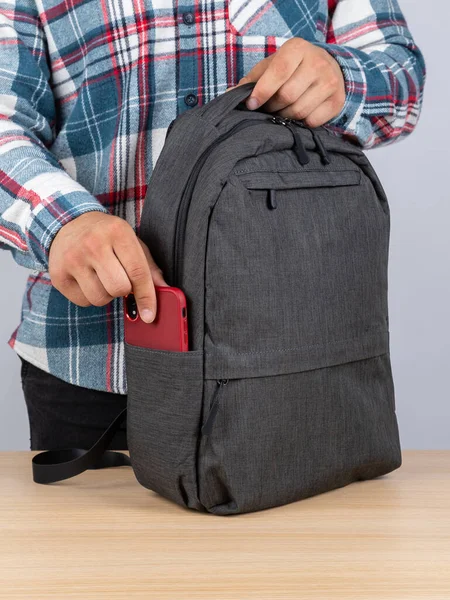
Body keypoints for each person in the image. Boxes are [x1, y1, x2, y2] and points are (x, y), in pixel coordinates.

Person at [0, 0, 425, 451]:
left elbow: (400, 77)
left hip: (297, 358)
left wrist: (342, 78)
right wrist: (63, 223)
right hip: (97, 363)